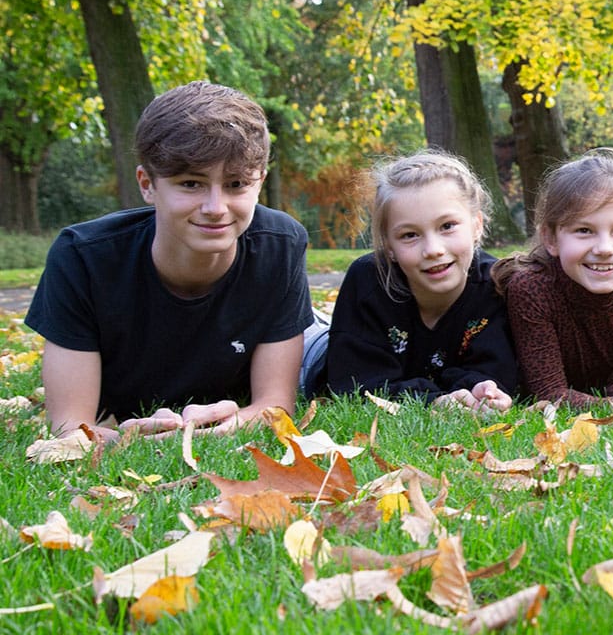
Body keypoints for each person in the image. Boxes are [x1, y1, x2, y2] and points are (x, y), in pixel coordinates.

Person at [25, 81, 313, 442]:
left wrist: (232, 424)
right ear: (147, 184)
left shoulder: (281, 245)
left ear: (260, 182)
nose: (215, 208)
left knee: (322, 355)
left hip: (299, 333)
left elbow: (274, 407)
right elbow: (69, 428)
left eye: (236, 183)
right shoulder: (82, 257)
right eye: (191, 184)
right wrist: (126, 439)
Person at [321, 151, 517, 410]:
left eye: (447, 226)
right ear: (388, 245)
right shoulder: (369, 281)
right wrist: (433, 400)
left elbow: (496, 373)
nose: (433, 249)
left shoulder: (497, 287)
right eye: (410, 235)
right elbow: (355, 385)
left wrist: (480, 389)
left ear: (476, 225)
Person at [492, 148, 613, 408]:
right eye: (584, 230)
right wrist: (612, 405)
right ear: (551, 239)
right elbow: (548, 391)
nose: (604, 248)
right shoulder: (532, 289)